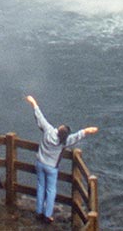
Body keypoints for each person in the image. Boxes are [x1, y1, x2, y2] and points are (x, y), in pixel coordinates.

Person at [25, 95, 98, 224]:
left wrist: (34, 103)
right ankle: (48, 215)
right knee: (51, 190)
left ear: (59, 129)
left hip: (40, 163)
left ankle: (39, 211)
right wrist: (89, 130)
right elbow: (78, 136)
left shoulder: (48, 131)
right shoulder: (65, 141)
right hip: (51, 167)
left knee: (41, 187)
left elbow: (40, 117)